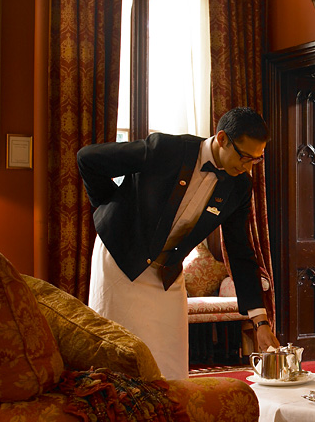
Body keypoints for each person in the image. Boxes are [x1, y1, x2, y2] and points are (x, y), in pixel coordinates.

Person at [78, 106, 280, 379]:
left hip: (167, 271)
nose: (247, 166)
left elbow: (240, 250)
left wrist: (260, 321)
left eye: (256, 160)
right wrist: (114, 210)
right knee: (118, 358)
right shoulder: (168, 149)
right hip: (122, 258)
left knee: (169, 366)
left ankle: (165, 421)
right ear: (222, 139)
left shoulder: (239, 186)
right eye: (244, 156)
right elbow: (88, 159)